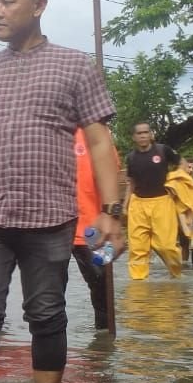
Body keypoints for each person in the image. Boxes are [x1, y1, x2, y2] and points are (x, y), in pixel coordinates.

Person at [0, 0, 122, 383]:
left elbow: (100, 143)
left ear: (39, 5)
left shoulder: (75, 67)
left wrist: (111, 213)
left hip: (50, 218)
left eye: (8, 2)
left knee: (46, 311)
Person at [124, 122, 181, 280]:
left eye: (145, 132)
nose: (143, 136)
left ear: (151, 134)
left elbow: (181, 163)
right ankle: (138, 283)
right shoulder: (131, 158)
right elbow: (131, 183)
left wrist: (178, 182)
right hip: (138, 203)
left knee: (166, 246)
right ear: (134, 137)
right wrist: (125, 206)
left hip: (162, 202)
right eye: (139, 133)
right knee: (137, 248)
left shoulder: (163, 150)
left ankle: (176, 274)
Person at [71, 129, 112, 331]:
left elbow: (111, 176)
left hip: (92, 227)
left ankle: (103, 341)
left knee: (103, 281)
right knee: (46, 292)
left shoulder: (98, 133)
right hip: (51, 228)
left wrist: (113, 217)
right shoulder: (42, 128)